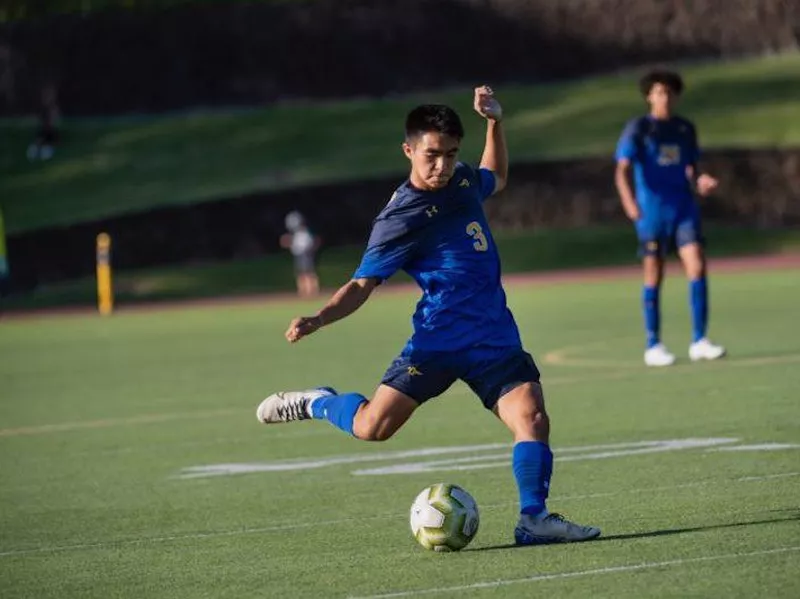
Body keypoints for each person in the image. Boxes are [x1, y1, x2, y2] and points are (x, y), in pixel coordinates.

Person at [257, 86, 600, 545]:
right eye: (432, 155)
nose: (442, 166)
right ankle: (320, 401)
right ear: (409, 150)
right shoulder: (398, 219)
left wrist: (495, 122)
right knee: (372, 428)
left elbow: (493, 176)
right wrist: (319, 317)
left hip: (492, 336)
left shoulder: (460, 180)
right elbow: (362, 285)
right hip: (436, 341)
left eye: (451, 154)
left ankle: (533, 518)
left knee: (532, 418)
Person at [614, 70, 726, 367]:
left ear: (676, 97)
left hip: (684, 208)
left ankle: (699, 340)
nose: (665, 97)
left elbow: (693, 167)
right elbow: (622, 168)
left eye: (670, 92)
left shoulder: (685, 129)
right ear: (649, 96)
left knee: (697, 265)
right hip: (652, 212)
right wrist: (629, 203)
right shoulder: (638, 128)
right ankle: (653, 344)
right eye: (659, 92)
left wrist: (701, 180)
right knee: (654, 274)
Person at [280, 211, 321, 298]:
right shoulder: (296, 234)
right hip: (299, 255)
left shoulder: (305, 233)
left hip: (306, 254)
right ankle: (303, 291)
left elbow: (307, 244)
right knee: (301, 274)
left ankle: (313, 291)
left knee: (309, 273)